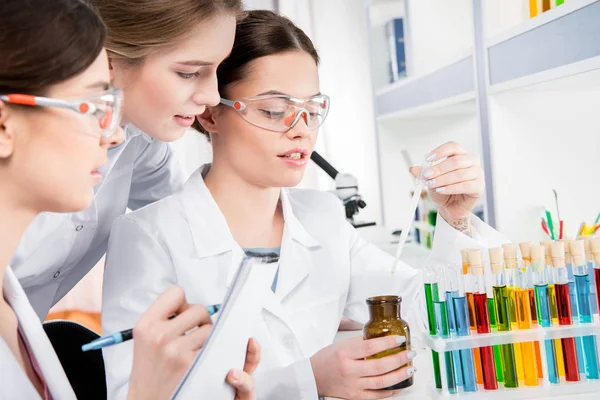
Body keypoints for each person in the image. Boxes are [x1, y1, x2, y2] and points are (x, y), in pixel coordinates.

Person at [102, 10, 508, 400]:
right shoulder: (146, 237)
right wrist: (307, 380)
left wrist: (455, 218)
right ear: (210, 113)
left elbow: (429, 314)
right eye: (275, 111)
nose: (301, 131)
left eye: (312, 110)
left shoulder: (324, 218)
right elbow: (134, 394)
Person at [0, 1, 258, 398]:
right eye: (188, 71)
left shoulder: (141, 145)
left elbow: (192, 235)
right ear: (111, 60)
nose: (210, 96)